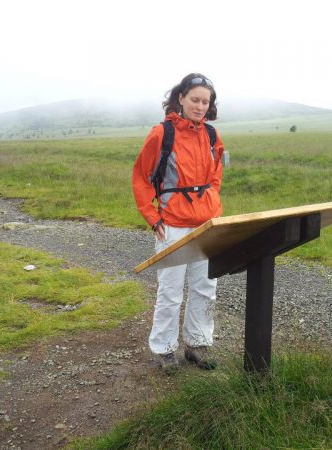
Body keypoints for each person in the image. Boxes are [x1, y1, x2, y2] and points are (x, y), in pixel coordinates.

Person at [132, 73, 225, 373]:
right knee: (170, 291)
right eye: (195, 100)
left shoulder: (211, 135)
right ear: (181, 98)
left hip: (207, 224)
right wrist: (152, 216)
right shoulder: (162, 133)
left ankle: (197, 345)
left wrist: (211, 199)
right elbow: (142, 177)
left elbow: (216, 174)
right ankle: (164, 349)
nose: (200, 106)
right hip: (172, 224)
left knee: (205, 288)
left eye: (205, 102)